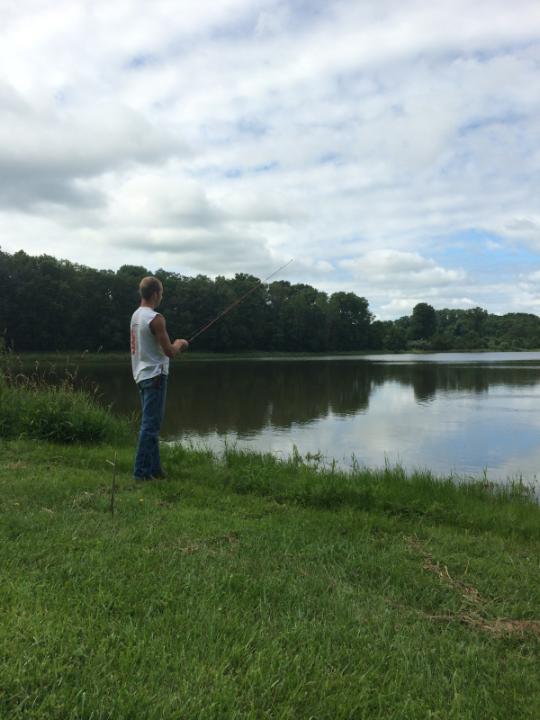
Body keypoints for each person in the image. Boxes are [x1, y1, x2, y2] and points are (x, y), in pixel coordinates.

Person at [130, 276, 188, 480]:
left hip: (140, 375)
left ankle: (155, 470)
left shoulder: (136, 316)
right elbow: (170, 351)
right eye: (161, 293)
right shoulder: (155, 318)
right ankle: (141, 474)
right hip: (155, 376)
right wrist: (180, 343)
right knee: (150, 427)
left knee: (150, 425)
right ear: (155, 294)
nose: (161, 296)